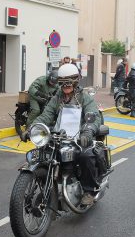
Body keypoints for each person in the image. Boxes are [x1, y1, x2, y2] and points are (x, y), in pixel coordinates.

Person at [23, 63, 103, 206]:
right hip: (59, 136)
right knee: (44, 153)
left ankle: (89, 190)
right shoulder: (57, 98)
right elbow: (45, 116)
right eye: (62, 82)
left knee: (85, 156)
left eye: (69, 81)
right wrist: (31, 129)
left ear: (76, 81)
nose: (66, 85)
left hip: (80, 137)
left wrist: (88, 132)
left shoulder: (85, 98)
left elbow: (93, 117)